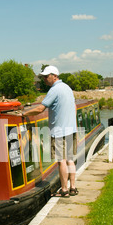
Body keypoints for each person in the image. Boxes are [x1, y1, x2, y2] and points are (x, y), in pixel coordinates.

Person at [22, 66, 78, 198]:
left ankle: (64, 190)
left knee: (61, 161)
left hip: (59, 131)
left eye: (46, 76)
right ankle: (73, 188)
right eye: (43, 77)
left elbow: (40, 109)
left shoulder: (54, 90)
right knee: (70, 160)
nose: (45, 79)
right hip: (71, 129)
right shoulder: (67, 87)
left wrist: (24, 113)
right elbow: (74, 106)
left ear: (54, 76)